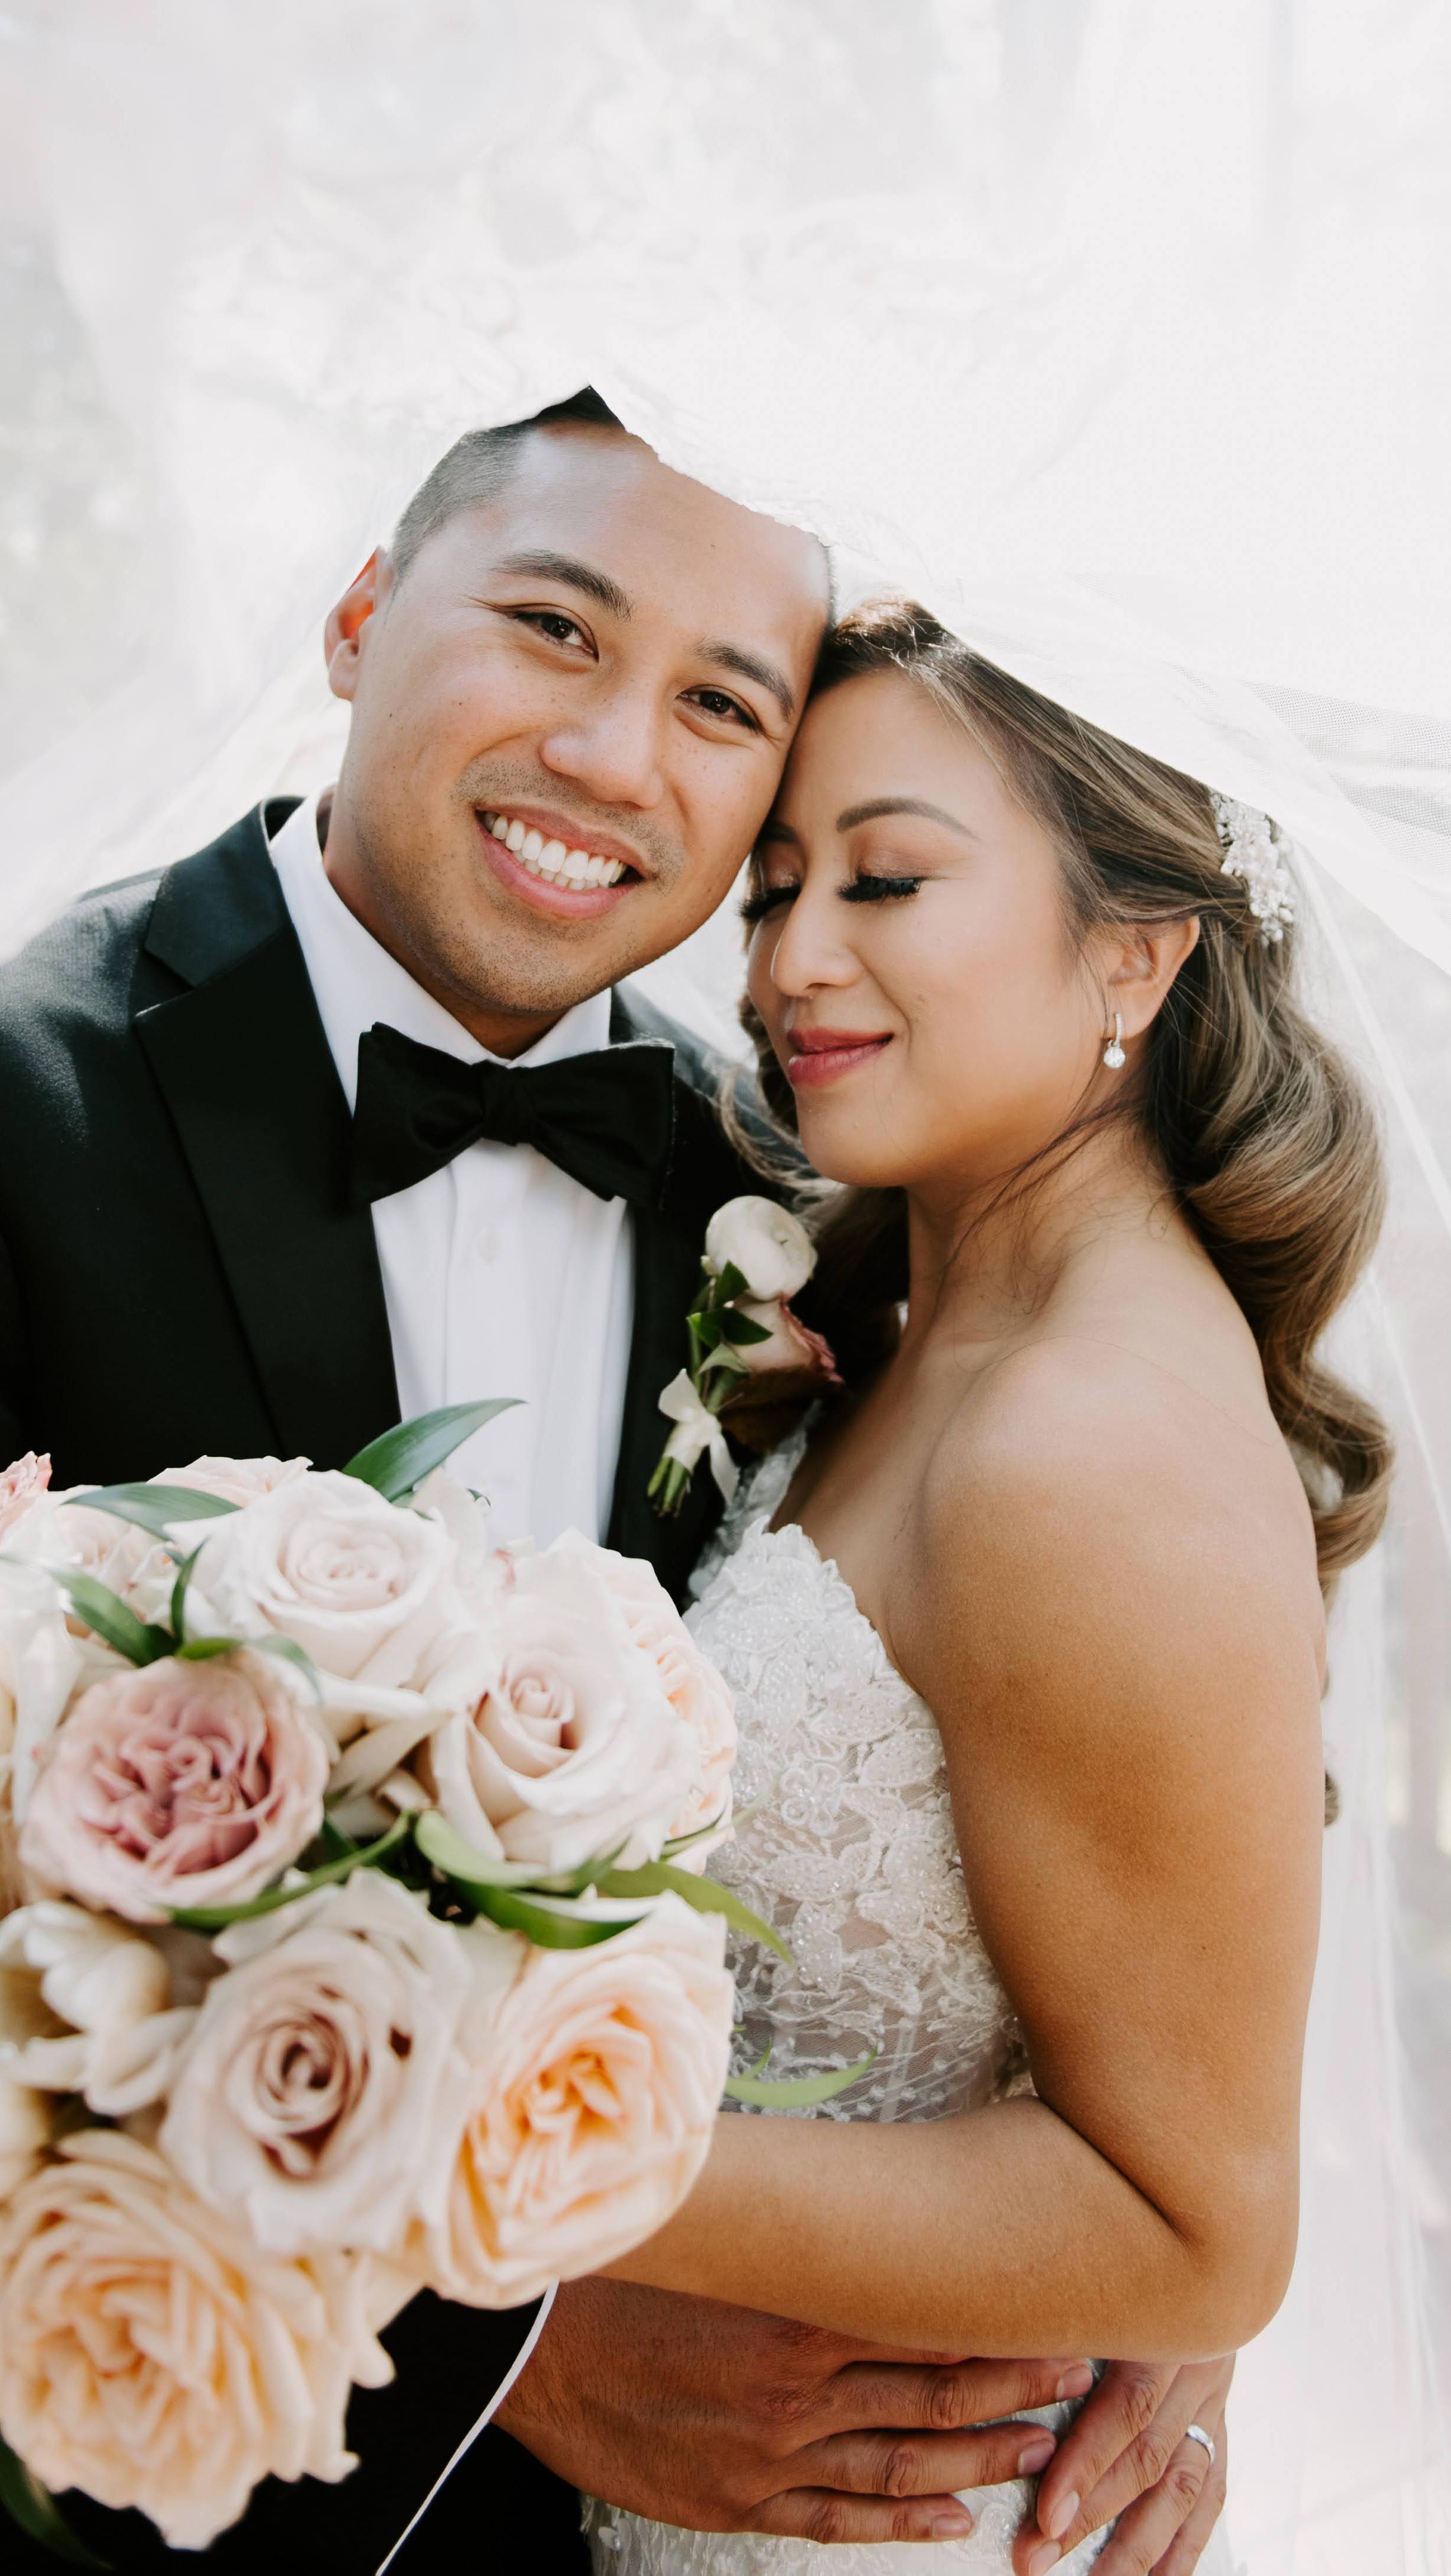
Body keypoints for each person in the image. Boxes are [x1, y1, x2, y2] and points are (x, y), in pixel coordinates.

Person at [0, 407, 1235, 2574]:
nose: (613, 754)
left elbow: (1098, 1684)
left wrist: (1138, 2241)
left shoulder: (790, 1172)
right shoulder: (27, 1104)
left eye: (720, 706)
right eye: (552, 627)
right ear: (363, 615)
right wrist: (499, 2323)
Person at [582, 600, 1391, 2575]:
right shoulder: (914, 1316)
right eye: (774, 888)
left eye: (888, 876)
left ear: (1138, 941)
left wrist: (505, 2155)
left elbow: (1196, 2224)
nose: (787, 962)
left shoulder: (1088, 1445)